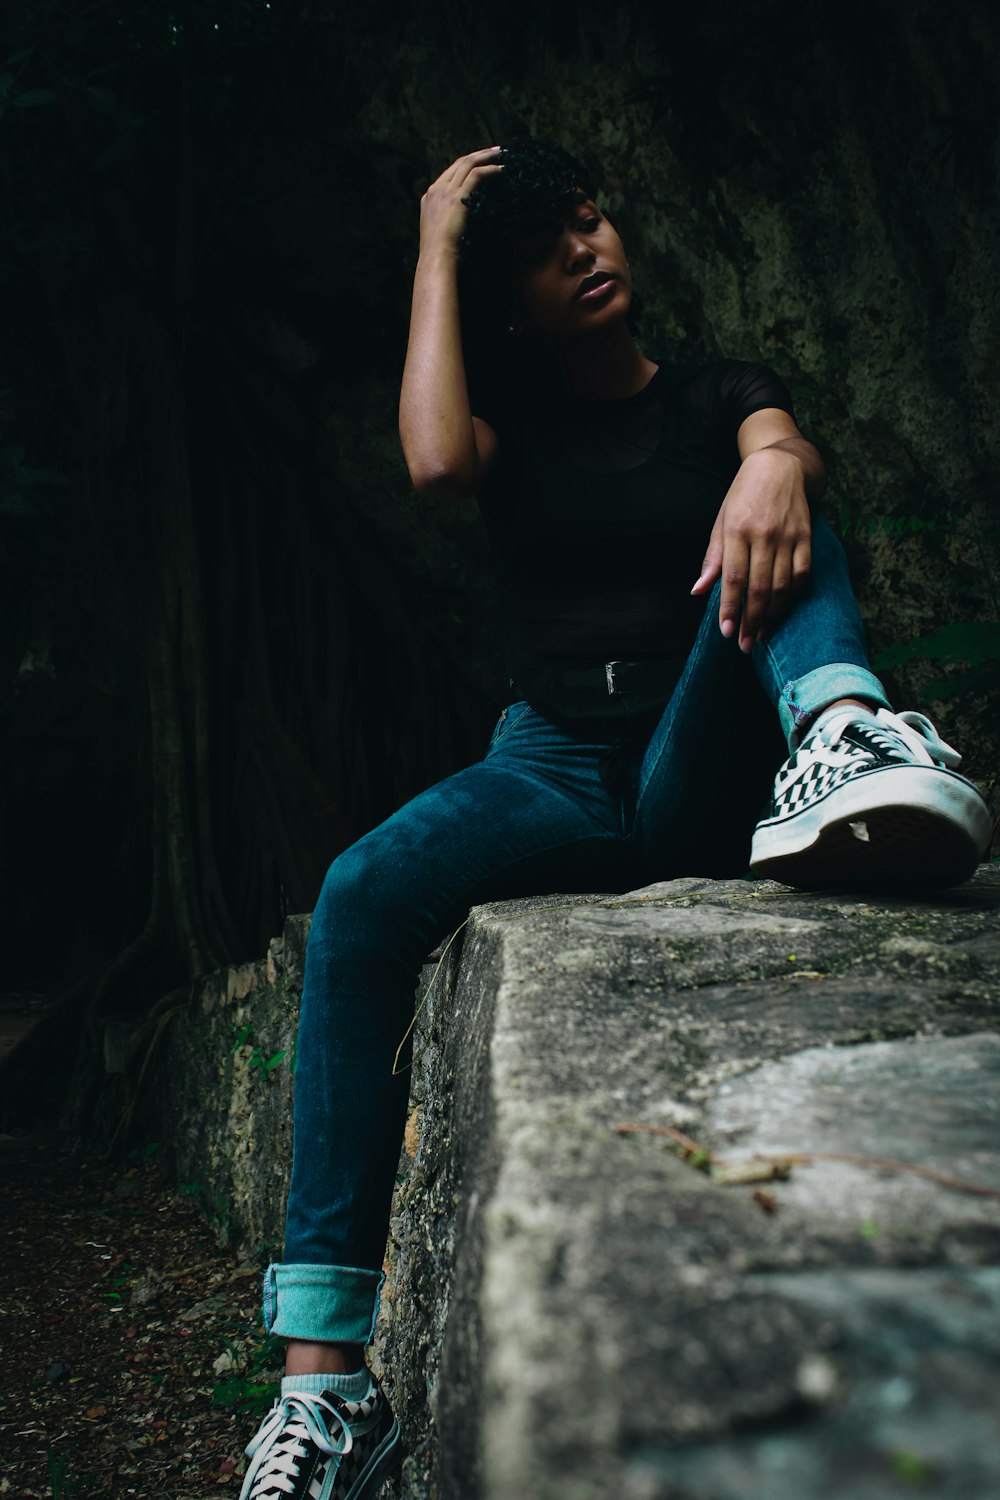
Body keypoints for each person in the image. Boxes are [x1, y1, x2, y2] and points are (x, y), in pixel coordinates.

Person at [237, 139, 991, 1500]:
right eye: (543, 246)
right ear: (506, 296)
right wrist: (437, 234)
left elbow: (781, 434)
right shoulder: (508, 420)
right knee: (358, 894)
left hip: (696, 750)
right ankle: (327, 1393)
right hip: (551, 767)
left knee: (782, 501)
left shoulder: (717, 394)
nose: (584, 249)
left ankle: (837, 732)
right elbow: (428, 466)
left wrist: (772, 460)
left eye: (590, 221)